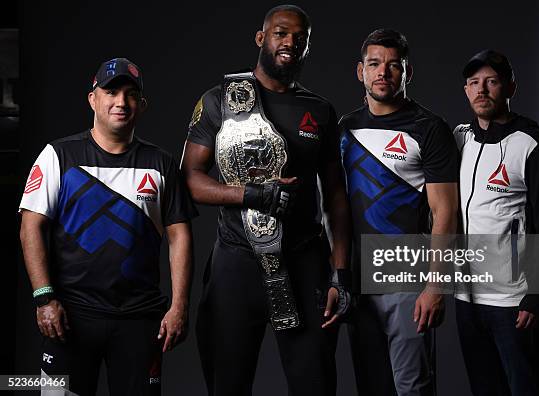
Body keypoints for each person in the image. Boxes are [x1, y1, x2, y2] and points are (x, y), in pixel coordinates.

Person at [180, 5, 351, 395]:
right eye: (280, 33)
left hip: (305, 260)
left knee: (315, 384)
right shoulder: (218, 100)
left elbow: (336, 198)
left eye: (299, 38)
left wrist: (340, 273)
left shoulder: (320, 110)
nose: (289, 42)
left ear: (307, 47)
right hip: (237, 263)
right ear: (261, 38)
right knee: (228, 384)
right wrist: (250, 194)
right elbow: (189, 179)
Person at [19, 58, 197, 395]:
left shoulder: (160, 164)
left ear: (141, 106)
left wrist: (179, 306)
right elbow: (31, 226)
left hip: (140, 319)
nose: (121, 102)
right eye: (111, 91)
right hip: (69, 316)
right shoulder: (58, 156)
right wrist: (45, 299)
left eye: (130, 95)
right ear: (93, 99)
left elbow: (180, 236)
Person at [339, 29, 458, 396]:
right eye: (374, 64)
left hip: (407, 274)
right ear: (361, 71)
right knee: (371, 385)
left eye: (393, 66)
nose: (383, 73)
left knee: (412, 388)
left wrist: (436, 285)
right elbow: (334, 207)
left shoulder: (429, 128)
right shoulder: (345, 128)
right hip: (358, 279)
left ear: (407, 72)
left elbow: (446, 213)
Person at [453, 49, 539, 395]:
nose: (482, 90)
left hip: (514, 302)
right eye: (474, 83)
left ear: (510, 87)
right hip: (468, 300)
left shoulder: (531, 145)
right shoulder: (461, 139)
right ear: (466, 90)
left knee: (526, 388)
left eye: (492, 82)